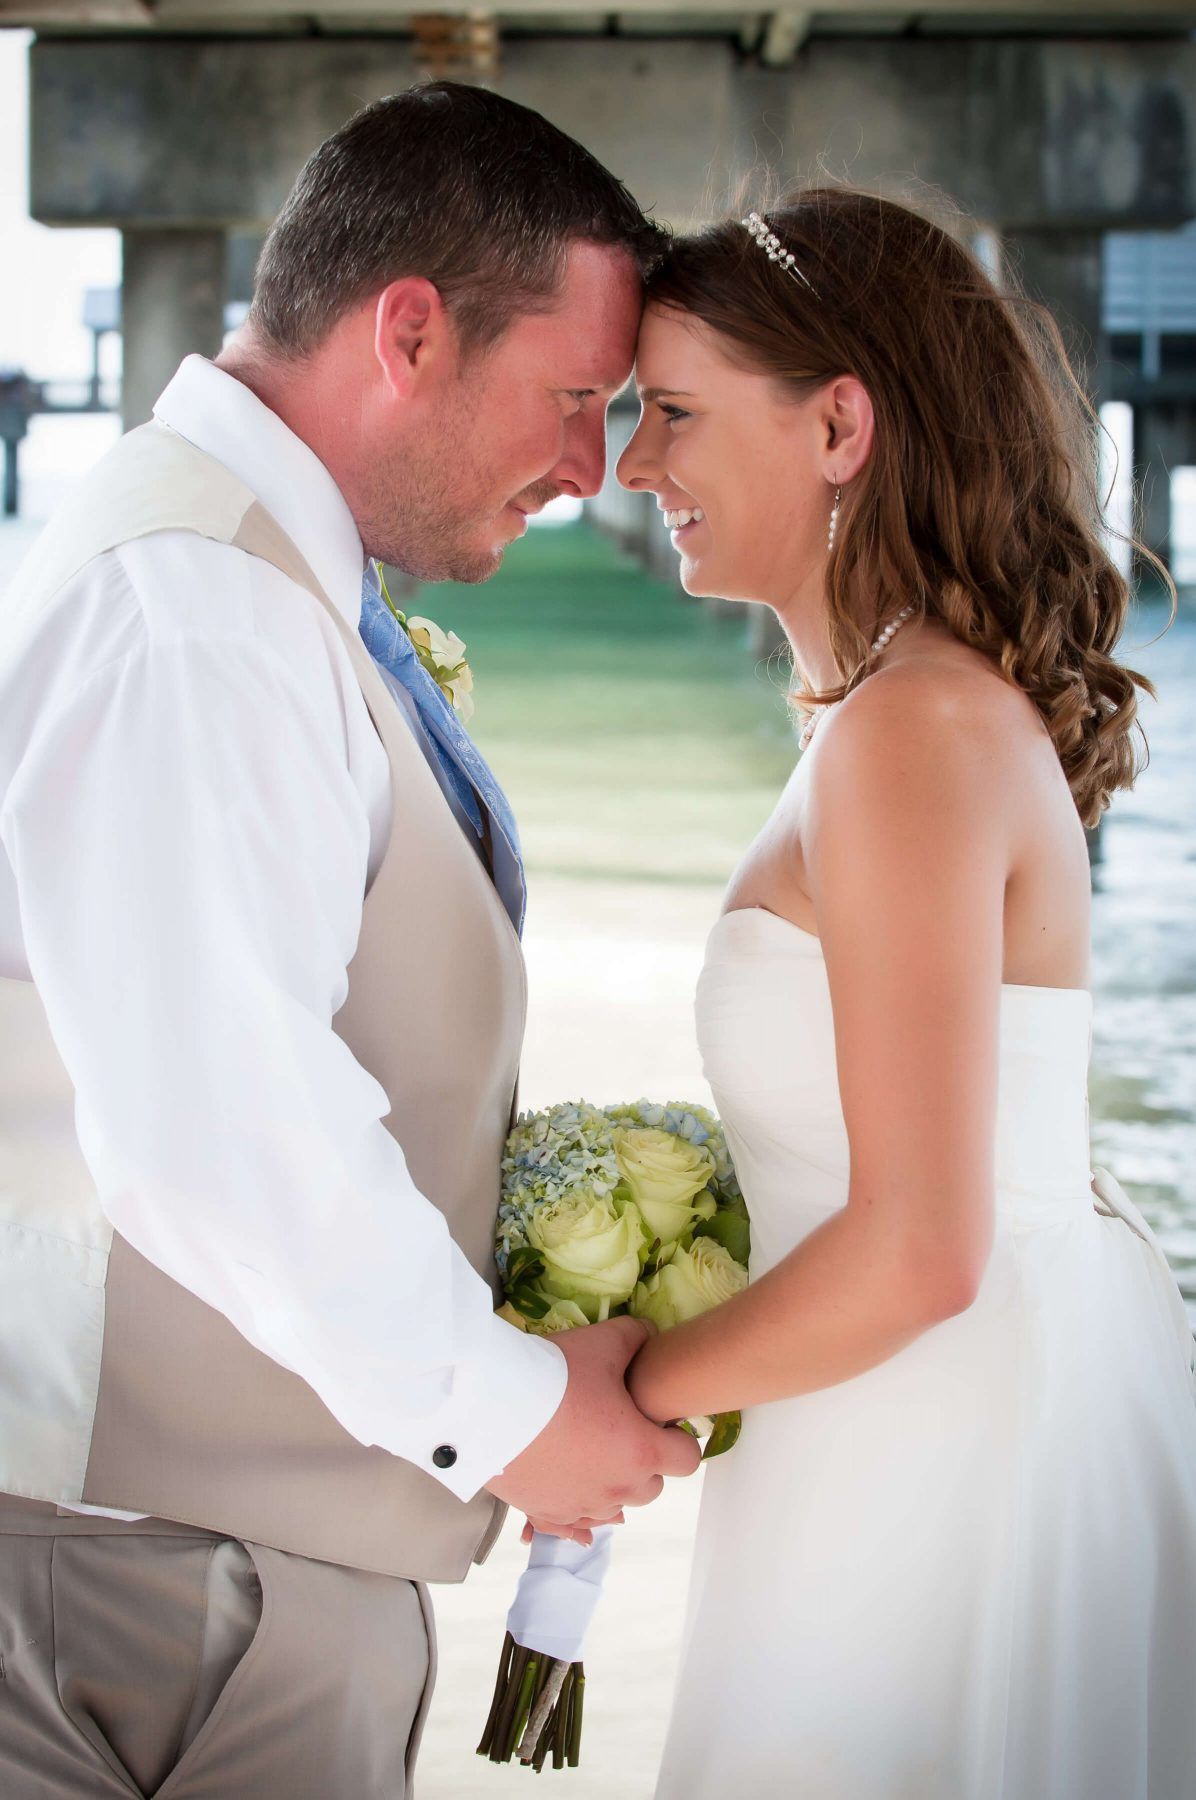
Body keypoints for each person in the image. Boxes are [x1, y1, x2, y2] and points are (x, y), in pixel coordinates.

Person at [0, 81, 700, 1799]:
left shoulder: (259, 583)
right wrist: (522, 1418)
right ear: (408, 334)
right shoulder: (208, 617)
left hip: (182, 1563)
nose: (593, 468)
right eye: (574, 400)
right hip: (160, 1591)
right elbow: (216, 1127)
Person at [616, 188, 1196, 1798]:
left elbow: (927, 1246)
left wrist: (632, 1389)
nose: (632, 466)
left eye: (671, 413)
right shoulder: (895, 713)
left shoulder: (909, 734)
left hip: (929, 1451)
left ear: (839, 425)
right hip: (907, 1413)